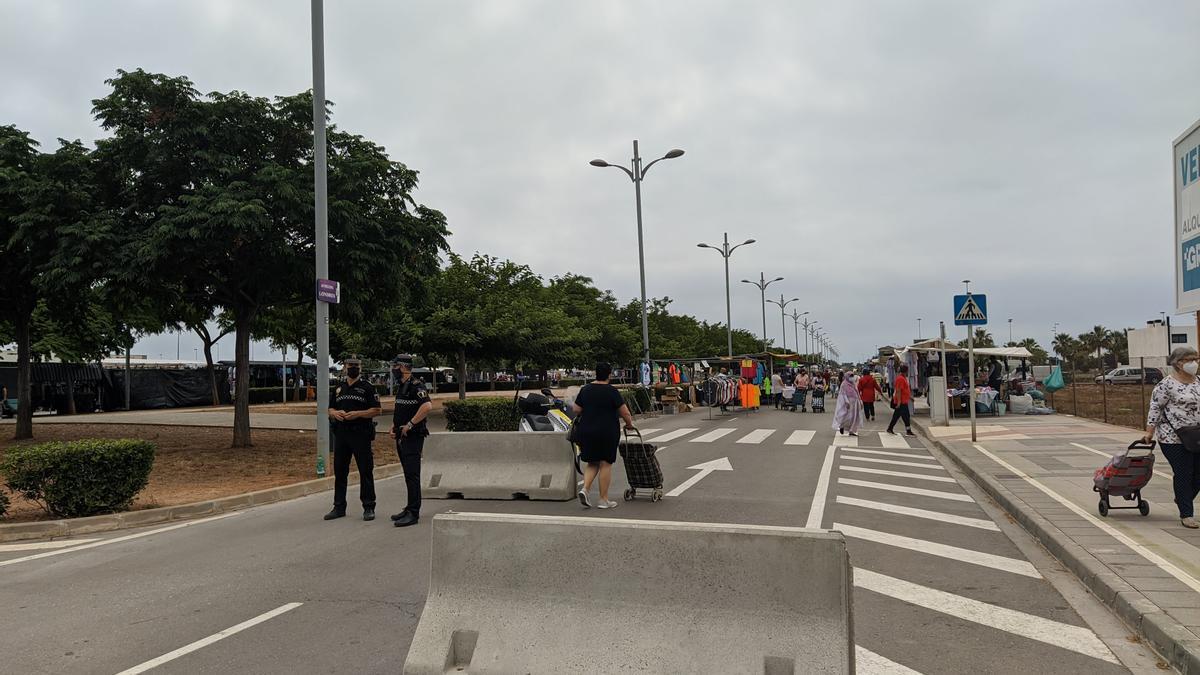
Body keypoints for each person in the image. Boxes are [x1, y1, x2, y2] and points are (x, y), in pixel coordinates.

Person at [1142, 347, 1200, 529]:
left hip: (1196, 434)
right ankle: (1187, 514)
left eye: (1196, 359)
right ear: (1178, 363)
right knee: (1184, 472)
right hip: (1172, 437)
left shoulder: (1198, 382)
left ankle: (1183, 497)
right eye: (1190, 359)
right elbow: (1155, 408)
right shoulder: (1165, 385)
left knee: (1198, 473)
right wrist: (1149, 431)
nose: (1194, 363)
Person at [573, 362, 636, 509]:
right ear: (609, 374)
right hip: (607, 432)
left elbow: (576, 409)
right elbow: (625, 412)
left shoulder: (586, 389)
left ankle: (585, 489)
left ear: (596, 373)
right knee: (605, 463)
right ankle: (603, 499)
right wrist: (629, 424)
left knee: (592, 462)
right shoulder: (611, 391)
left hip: (587, 431)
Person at [325, 359, 381, 521]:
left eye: (356, 367)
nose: (353, 369)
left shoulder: (367, 387)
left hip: (361, 434)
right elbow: (330, 408)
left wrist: (358, 414)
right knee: (340, 472)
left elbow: (377, 410)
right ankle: (339, 506)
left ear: (360, 368)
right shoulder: (338, 388)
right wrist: (334, 413)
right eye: (350, 367)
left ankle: (369, 506)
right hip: (342, 434)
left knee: (365, 470)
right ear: (345, 368)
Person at [389, 354, 432, 528]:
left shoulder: (416, 385)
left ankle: (414, 512)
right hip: (402, 435)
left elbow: (427, 406)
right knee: (408, 474)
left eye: (396, 366)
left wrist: (411, 424)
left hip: (413, 436)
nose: (394, 370)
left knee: (413, 475)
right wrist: (395, 426)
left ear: (404, 367)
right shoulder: (402, 386)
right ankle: (408, 508)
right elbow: (401, 408)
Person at [886, 363, 915, 436]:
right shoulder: (900, 379)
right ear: (906, 371)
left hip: (903, 400)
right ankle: (908, 430)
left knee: (897, 416)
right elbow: (898, 391)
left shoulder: (903, 378)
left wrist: (910, 397)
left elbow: (905, 390)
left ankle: (890, 428)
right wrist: (899, 402)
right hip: (901, 401)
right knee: (906, 416)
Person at [833, 371, 863, 436]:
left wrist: (860, 401)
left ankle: (851, 430)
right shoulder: (844, 384)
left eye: (852, 376)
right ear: (847, 376)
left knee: (854, 417)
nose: (852, 377)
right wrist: (846, 402)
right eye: (850, 376)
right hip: (848, 403)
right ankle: (842, 426)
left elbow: (857, 392)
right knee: (847, 416)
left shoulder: (853, 383)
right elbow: (842, 394)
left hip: (855, 402)